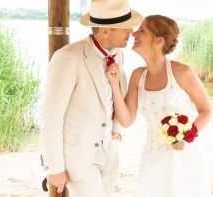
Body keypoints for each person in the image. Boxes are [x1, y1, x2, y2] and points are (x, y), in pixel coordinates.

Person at [38, 0, 143, 197]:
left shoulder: (118, 55)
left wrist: (116, 131)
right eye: (125, 27)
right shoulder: (68, 57)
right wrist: (54, 168)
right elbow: (50, 115)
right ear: (105, 30)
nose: (131, 31)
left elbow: (112, 98)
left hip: (109, 153)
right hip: (79, 158)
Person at [106, 15, 212, 197]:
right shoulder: (137, 76)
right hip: (152, 155)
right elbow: (126, 120)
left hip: (183, 156)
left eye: (142, 30)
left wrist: (186, 137)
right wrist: (114, 85)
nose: (134, 34)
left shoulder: (182, 72)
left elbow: (207, 110)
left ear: (158, 40)